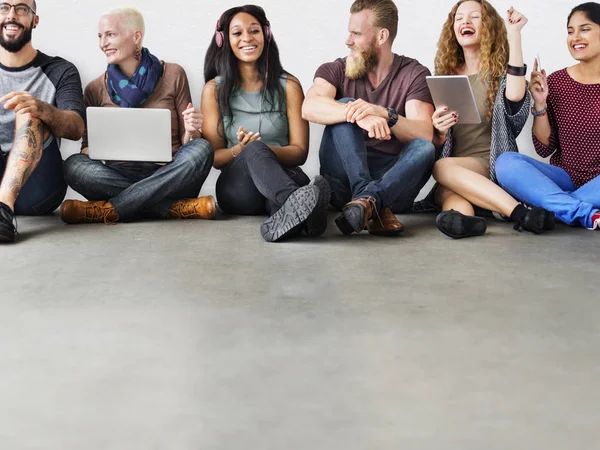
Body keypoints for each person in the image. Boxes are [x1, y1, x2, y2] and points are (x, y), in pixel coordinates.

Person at [413, 0, 555, 239]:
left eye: (474, 17)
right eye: (459, 18)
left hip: (488, 164)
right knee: (449, 193)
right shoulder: (444, 76)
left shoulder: (500, 76)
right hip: (455, 172)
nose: (465, 22)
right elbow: (438, 140)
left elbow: (516, 95)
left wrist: (515, 34)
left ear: (488, 26)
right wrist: (438, 129)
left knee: (441, 168)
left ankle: (519, 213)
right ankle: (468, 222)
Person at [61, 7, 215, 225]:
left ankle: (110, 209)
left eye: (110, 35)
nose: (102, 43)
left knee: (202, 149)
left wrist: (191, 131)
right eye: (100, 36)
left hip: (169, 173)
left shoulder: (173, 74)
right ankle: (173, 208)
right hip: (116, 175)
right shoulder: (94, 89)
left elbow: (188, 144)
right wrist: (96, 146)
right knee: (74, 165)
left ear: (136, 37)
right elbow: (86, 150)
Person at [302, 0, 435, 237]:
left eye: (356, 33)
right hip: (342, 182)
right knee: (344, 104)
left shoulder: (414, 73)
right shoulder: (337, 69)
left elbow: (424, 132)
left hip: (394, 184)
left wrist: (383, 113)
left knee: (424, 147)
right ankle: (371, 200)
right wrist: (355, 115)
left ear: (381, 36)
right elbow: (309, 106)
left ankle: (366, 202)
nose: (348, 40)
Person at [202, 5, 329, 243]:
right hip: (238, 189)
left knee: (280, 191)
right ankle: (300, 203)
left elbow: (300, 152)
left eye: (254, 31)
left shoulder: (289, 85)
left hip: (282, 175)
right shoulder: (213, 90)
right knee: (255, 150)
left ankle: (294, 218)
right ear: (224, 40)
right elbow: (214, 157)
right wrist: (244, 150)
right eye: (237, 33)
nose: (247, 38)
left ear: (266, 35)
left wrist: (265, 153)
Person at [496, 2, 600, 231]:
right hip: (564, 176)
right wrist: (540, 104)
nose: (575, 37)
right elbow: (545, 148)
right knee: (506, 163)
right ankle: (580, 210)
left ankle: (554, 206)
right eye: (570, 31)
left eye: (585, 29)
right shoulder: (557, 82)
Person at [0, 0, 85, 242]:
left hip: (38, 189)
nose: (11, 15)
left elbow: (77, 127)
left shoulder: (61, 70)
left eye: (22, 9)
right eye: (4, 7)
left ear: (35, 20)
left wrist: (43, 109)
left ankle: (3, 210)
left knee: (29, 110)